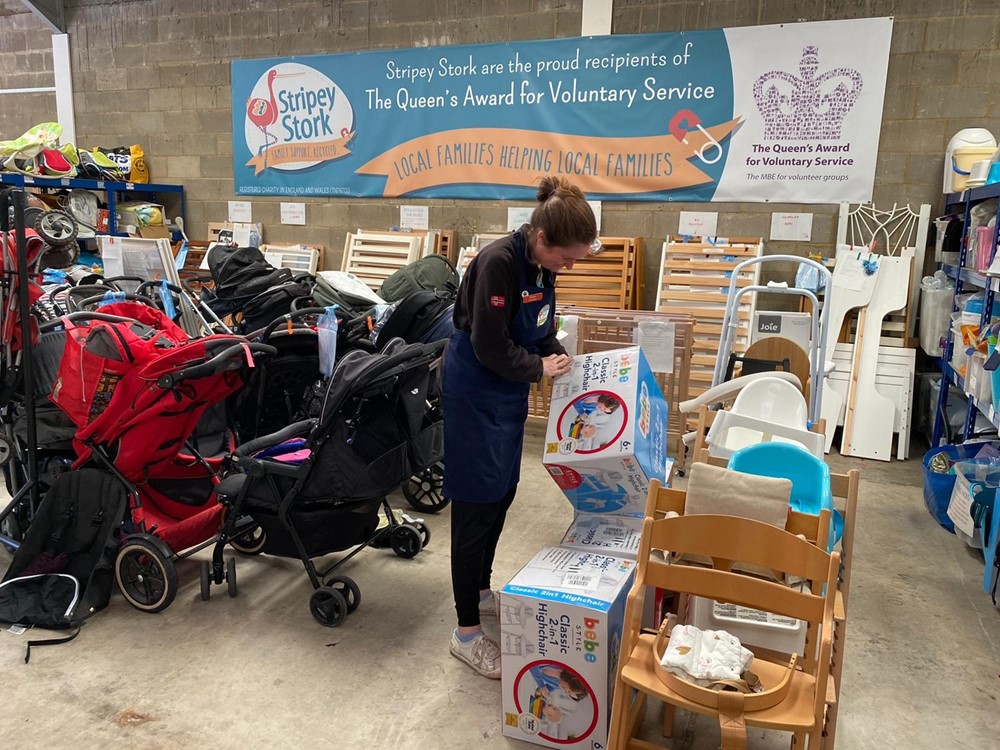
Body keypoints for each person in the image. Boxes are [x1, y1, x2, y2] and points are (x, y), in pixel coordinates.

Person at [443, 176, 600, 678]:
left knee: (503, 494)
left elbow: (538, 329)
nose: (569, 265)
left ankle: (481, 590)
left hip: (506, 397)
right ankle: (466, 633)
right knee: (475, 505)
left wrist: (557, 353)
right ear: (541, 238)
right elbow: (491, 345)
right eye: (567, 258)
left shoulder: (540, 266)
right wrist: (538, 369)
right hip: (474, 393)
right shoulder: (499, 263)